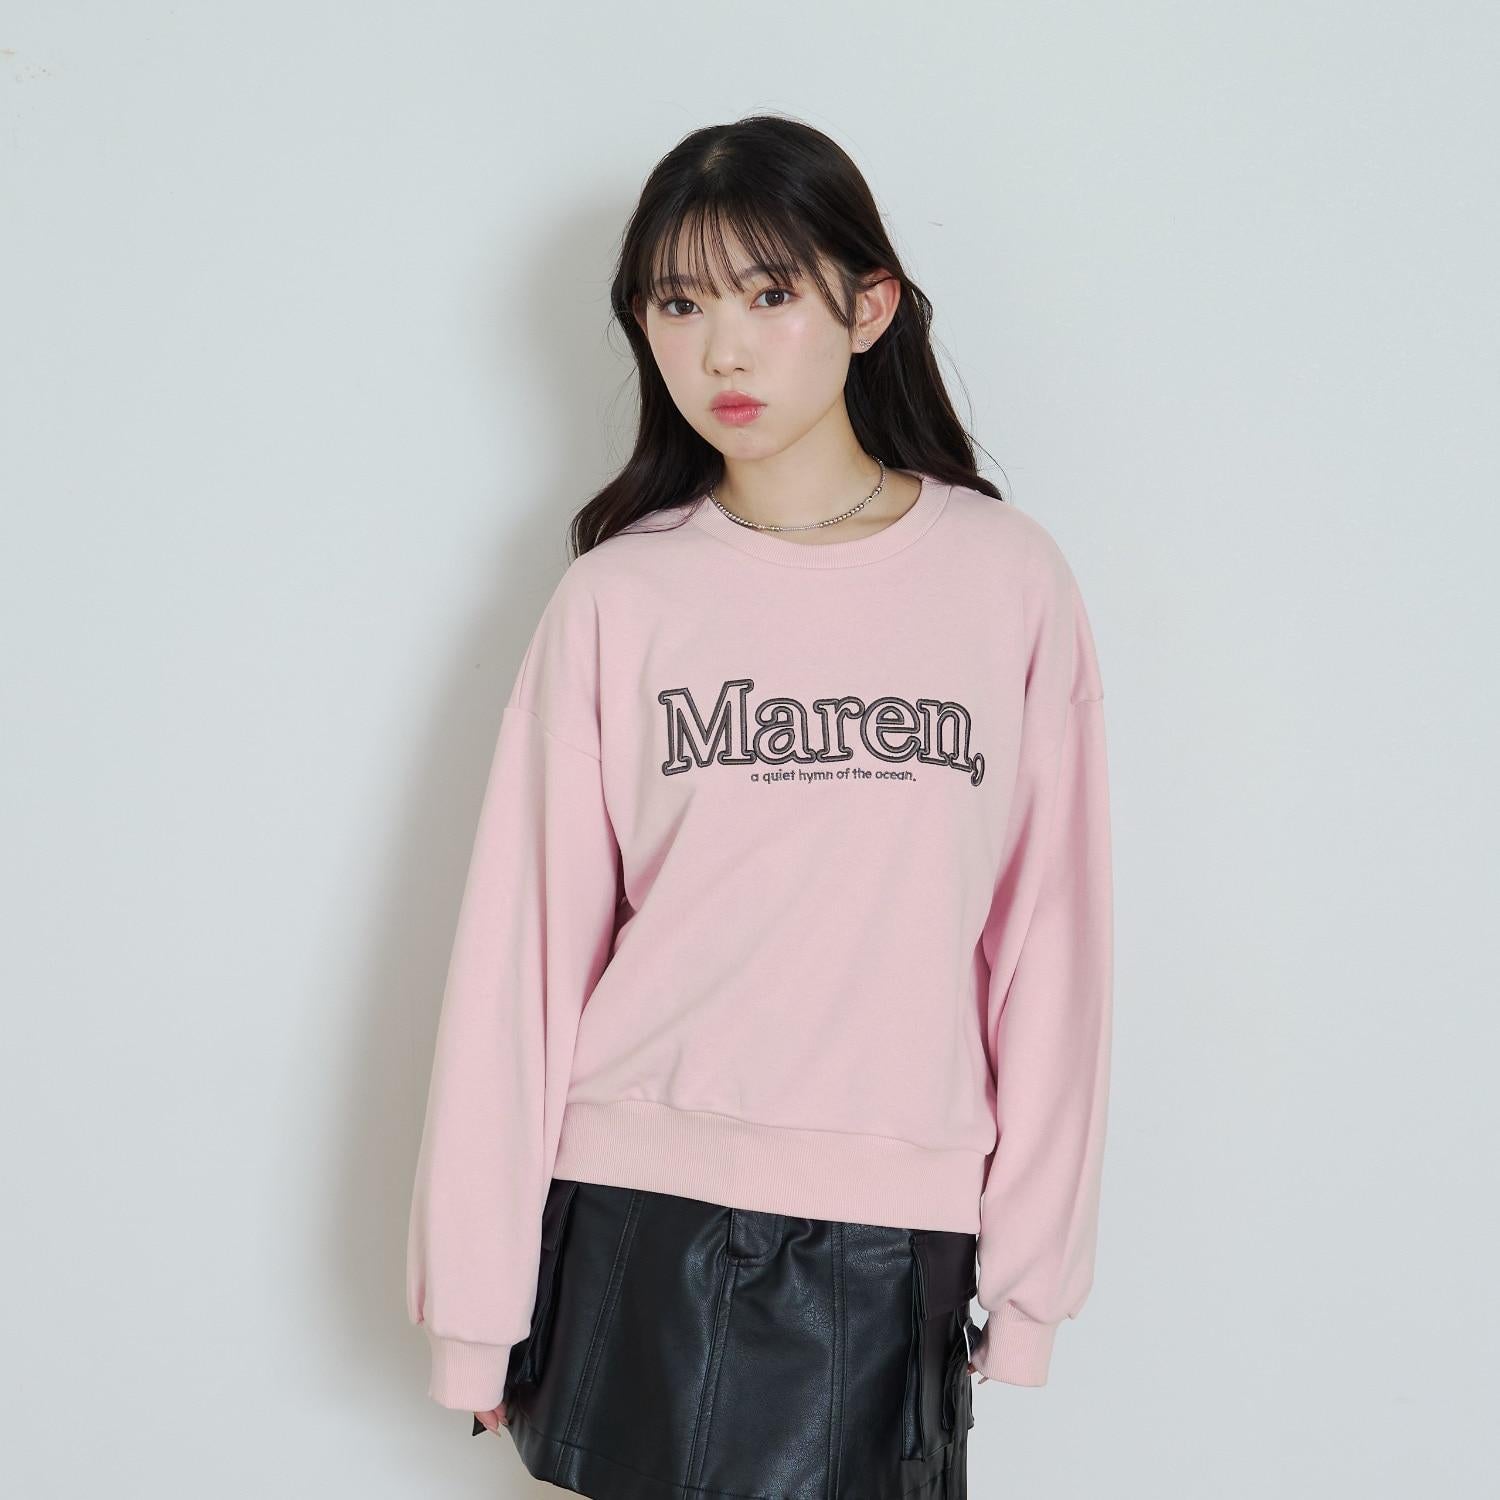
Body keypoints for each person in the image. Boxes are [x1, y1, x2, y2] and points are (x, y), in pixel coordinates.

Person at [405, 113, 1115, 1499]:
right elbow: (519, 962)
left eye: (769, 294)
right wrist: (476, 1309)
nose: (722, 351)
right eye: (679, 304)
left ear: (869, 306)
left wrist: (1030, 1283)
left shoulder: (1006, 581)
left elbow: (1054, 946)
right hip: (637, 1213)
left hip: (891, 1224)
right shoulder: (620, 596)